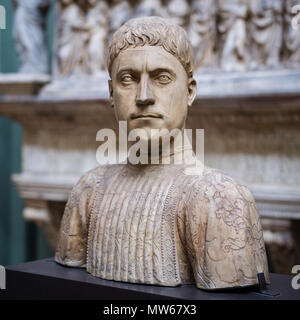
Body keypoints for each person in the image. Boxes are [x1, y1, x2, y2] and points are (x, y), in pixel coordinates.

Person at [55, 16, 269, 290]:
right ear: (111, 93)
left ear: (190, 91)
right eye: (128, 79)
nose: (144, 96)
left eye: (162, 78)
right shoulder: (88, 191)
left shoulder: (218, 197)